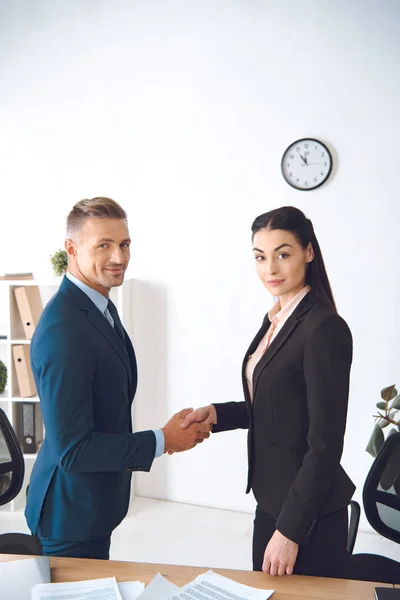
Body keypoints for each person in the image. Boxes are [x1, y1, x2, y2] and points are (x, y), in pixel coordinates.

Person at [25, 197, 210, 559]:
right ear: (71, 249)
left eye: (124, 244)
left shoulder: (100, 306)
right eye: (104, 246)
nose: (119, 258)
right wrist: (163, 439)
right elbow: (74, 451)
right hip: (68, 517)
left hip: (92, 507)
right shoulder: (64, 327)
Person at [182, 206, 355, 578]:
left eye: (283, 254)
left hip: (307, 516)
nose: (270, 269)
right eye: (260, 257)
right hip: (272, 499)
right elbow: (281, 405)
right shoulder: (278, 318)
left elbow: (325, 444)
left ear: (309, 252)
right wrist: (219, 414)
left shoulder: (324, 328)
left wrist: (291, 530)